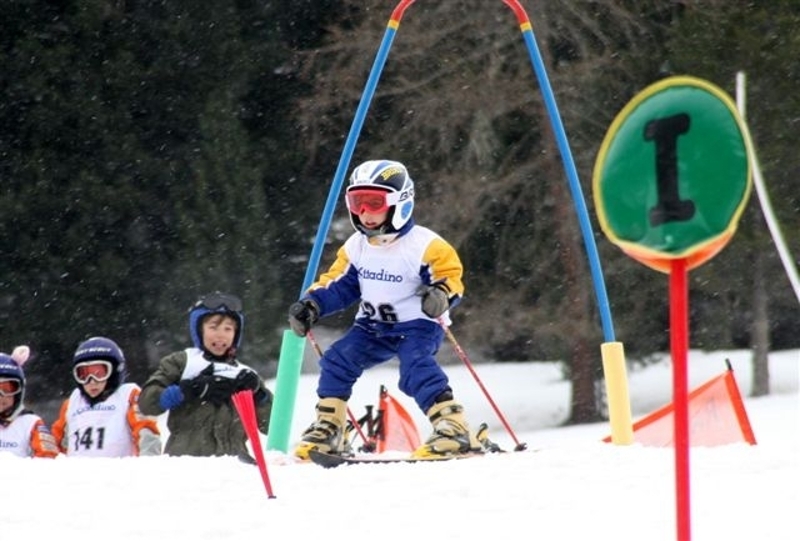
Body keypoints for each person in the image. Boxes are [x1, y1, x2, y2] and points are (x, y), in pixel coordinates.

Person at [288, 159, 483, 460]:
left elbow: (450, 277)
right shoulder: (357, 246)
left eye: (374, 202)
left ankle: (452, 427)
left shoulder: (425, 245)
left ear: (400, 202)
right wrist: (313, 304)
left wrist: (441, 296)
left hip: (416, 325)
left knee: (415, 367)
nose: (364, 212)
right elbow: (340, 283)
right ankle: (331, 429)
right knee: (338, 361)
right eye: (357, 202)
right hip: (372, 325)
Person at [138, 292, 273, 458]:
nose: (220, 334)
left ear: (236, 334)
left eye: (228, 329)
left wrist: (259, 396)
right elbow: (146, 403)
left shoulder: (245, 375)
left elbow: (273, 428)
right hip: (185, 462)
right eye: (213, 327)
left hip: (233, 466)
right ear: (199, 331)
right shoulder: (182, 363)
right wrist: (186, 391)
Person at [51, 337, 162, 457]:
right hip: (79, 473)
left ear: (115, 371)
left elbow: (146, 432)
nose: (92, 381)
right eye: (83, 374)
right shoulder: (73, 402)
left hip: (117, 472)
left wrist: (148, 463)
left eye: (99, 373)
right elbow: (57, 443)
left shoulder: (128, 395)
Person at [0, 345, 59, 458]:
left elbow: (48, 461)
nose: (0, 397)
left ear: (19, 392)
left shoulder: (30, 424)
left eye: (7, 389)